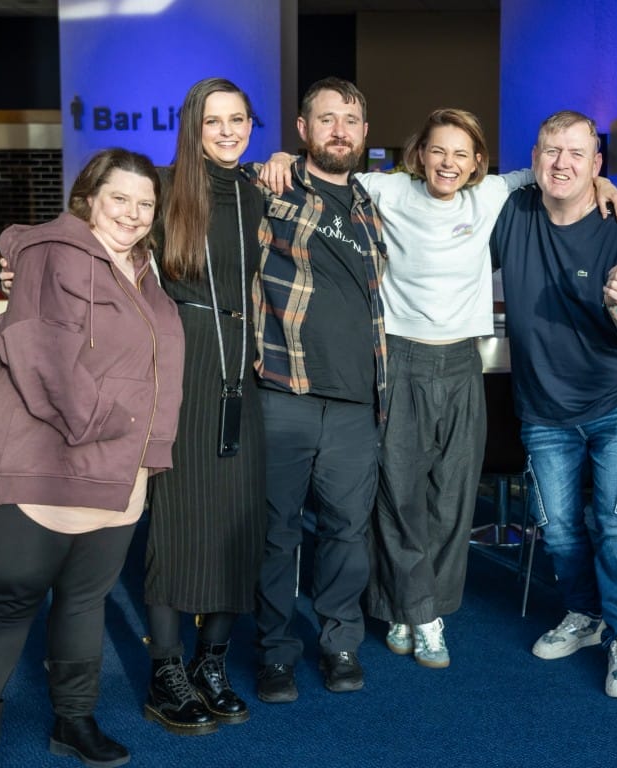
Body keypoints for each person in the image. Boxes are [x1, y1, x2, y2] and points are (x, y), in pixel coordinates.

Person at [261, 109, 617, 669]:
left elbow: (558, 171)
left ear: (477, 162)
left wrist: (602, 179)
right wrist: (281, 158)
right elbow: (325, 167)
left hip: (462, 363)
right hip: (400, 358)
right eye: (439, 151)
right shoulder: (386, 188)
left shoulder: (489, 193)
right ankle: (422, 615)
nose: (449, 163)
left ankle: (412, 607)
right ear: (420, 154)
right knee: (399, 494)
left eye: (462, 154)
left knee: (453, 498)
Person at [0, 148, 185, 768]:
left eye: (146, 204)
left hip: (122, 467)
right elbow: (39, 353)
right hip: (48, 457)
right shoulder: (49, 252)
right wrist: (110, 422)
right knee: (10, 600)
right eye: (120, 198)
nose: (134, 214)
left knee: (84, 601)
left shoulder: (145, 269)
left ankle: (74, 722)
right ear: (87, 196)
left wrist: (145, 448)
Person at [490, 110, 617, 698]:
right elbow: (446, 196)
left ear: (597, 164)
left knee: (616, 522)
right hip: (543, 404)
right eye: (549, 151)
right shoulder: (512, 212)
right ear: (533, 157)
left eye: (575, 153)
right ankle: (586, 615)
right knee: (558, 529)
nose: (560, 163)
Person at [247, 77, 386, 705]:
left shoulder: (369, 203)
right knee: (277, 533)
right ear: (302, 130)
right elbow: (189, 193)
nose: (340, 130)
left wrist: (597, 180)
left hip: (358, 400)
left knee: (347, 534)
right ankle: (275, 652)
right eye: (326, 119)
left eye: (351, 121)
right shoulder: (268, 186)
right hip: (284, 392)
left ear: (363, 132)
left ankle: (339, 642)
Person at [140, 78, 266, 734]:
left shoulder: (258, 190)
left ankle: (210, 662)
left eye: (237, 119)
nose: (226, 130)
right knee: (178, 527)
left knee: (238, 528)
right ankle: (166, 671)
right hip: (182, 372)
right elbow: (85, 238)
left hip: (244, 374)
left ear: (251, 124)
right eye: (213, 120)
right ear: (192, 125)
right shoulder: (160, 189)